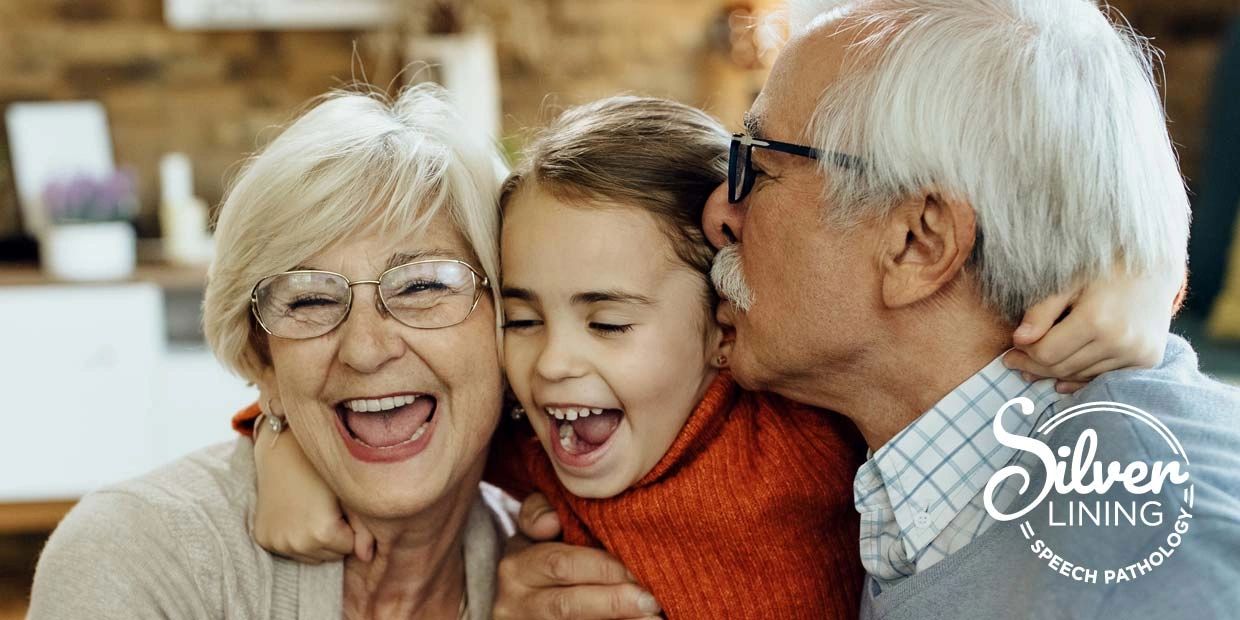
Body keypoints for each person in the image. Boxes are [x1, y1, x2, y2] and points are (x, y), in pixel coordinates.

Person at [237, 96, 1182, 619]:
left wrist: (1141, 282)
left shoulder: (801, 423)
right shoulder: (530, 443)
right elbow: (392, 410)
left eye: (608, 323)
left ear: (724, 329)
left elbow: (963, 348)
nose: (553, 366)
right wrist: (276, 436)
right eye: (522, 320)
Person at [493, 0, 1240, 619]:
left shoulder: (1155, 568)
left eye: (758, 165)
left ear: (918, 242)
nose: (719, 212)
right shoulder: (907, 476)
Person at [27, 84, 512, 619]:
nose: (367, 349)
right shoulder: (132, 557)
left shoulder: (564, 561)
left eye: (422, 287)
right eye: (309, 298)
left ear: (510, 327)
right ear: (264, 364)